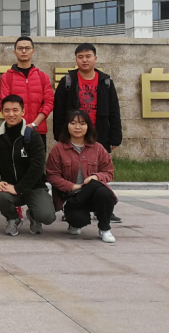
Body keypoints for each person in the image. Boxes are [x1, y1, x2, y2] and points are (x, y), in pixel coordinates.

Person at [53, 42, 123, 223]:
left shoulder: (105, 82)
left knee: (99, 171)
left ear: (95, 58)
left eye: (88, 56)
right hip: (73, 133)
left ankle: (103, 208)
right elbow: (59, 110)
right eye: (80, 57)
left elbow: (114, 110)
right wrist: (59, 136)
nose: (84, 60)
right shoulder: (68, 81)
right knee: (72, 171)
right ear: (76, 59)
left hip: (99, 133)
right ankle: (72, 204)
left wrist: (115, 137)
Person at [0, 94, 56, 236]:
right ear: (2, 112)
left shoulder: (33, 136)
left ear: (23, 111)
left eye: (15, 110)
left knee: (47, 216)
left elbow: (37, 167)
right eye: (7, 110)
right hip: (9, 187)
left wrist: (18, 188)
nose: (11, 114)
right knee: (0, 197)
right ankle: (13, 218)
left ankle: (34, 215)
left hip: (34, 187)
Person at [46, 110, 117, 243]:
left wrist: (96, 177)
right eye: (73, 123)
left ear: (88, 126)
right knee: (78, 220)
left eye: (82, 123)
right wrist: (72, 186)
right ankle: (73, 220)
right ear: (67, 126)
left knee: (104, 193)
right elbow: (52, 175)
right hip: (71, 195)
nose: (77, 127)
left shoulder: (98, 148)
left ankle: (104, 228)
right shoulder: (58, 149)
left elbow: (108, 172)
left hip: (93, 193)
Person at [0, 36, 54, 148]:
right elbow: (3, 103)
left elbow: (49, 102)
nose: (24, 51)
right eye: (20, 48)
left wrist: (34, 124)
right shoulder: (7, 77)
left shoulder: (42, 77)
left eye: (27, 48)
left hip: (38, 130)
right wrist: (18, 124)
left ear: (33, 51)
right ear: (15, 52)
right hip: (14, 130)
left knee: (37, 159)